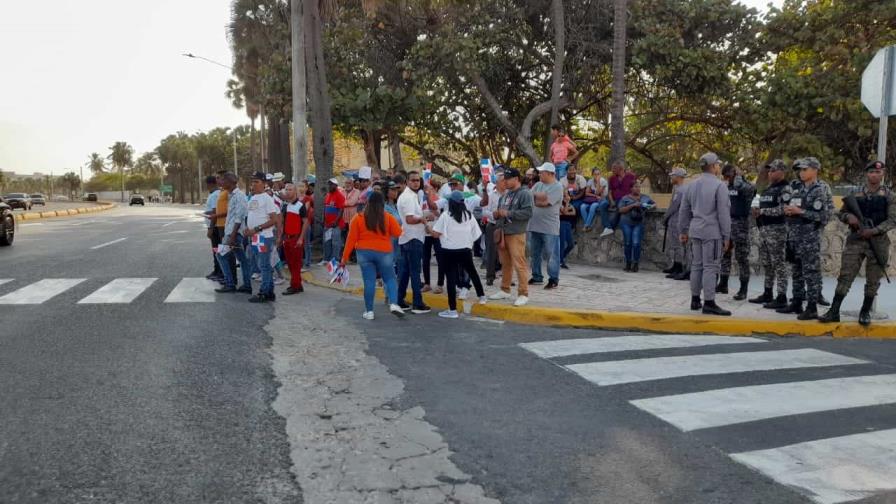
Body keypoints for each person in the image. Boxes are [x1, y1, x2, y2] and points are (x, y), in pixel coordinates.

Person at [821, 160, 895, 325]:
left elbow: (893, 220)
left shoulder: (889, 195)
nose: (874, 175)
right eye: (871, 172)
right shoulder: (855, 193)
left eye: (878, 172)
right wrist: (849, 217)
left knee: (873, 280)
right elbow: (841, 213)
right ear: (866, 174)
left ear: (882, 174)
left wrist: (874, 231)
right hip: (856, 240)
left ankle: (865, 311)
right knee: (845, 276)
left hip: (878, 242)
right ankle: (834, 310)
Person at [779, 157, 834, 320]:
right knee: (796, 270)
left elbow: (824, 215)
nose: (801, 172)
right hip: (795, 236)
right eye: (800, 170)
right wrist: (788, 211)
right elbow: (791, 206)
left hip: (809, 237)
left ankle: (811, 307)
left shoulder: (820, 190)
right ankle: (797, 302)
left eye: (805, 169)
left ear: (814, 170)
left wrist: (800, 212)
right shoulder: (797, 188)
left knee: (810, 272)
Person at [678, 152, 732, 316]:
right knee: (711, 267)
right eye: (718, 165)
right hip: (712, 231)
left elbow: (684, 210)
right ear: (714, 166)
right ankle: (709, 302)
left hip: (695, 229)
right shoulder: (719, 185)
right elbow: (723, 213)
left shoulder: (692, 185)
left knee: (697, 265)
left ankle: (695, 300)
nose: (719, 167)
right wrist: (726, 235)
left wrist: (682, 230)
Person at [340, 191, 405, 320]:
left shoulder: (358, 218)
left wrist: (344, 258)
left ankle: (369, 311)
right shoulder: (387, 217)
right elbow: (398, 233)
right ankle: (393, 303)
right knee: (390, 279)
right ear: (382, 204)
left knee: (369, 282)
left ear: (367, 203)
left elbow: (350, 240)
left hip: (364, 253)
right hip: (384, 252)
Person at [429, 190, 487, 318]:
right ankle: (482, 296)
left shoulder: (445, 215)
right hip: (465, 250)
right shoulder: (469, 215)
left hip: (448, 251)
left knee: (450, 279)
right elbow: (476, 234)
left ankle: (452, 310)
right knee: (472, 272)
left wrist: (426, 226)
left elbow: (436, 234)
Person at [488, 168, 534, 306]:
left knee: (519, 263)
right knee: (505, 263)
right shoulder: (506, 195)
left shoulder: (525, 194)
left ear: (516, 179)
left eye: (507, 179)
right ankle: (505, 289)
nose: (505, 182)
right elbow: (502, 212)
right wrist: (497, 214)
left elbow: (528, 213)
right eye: (504, 179)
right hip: (504, 233)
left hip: (516, 233)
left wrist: (508, 213)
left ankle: (523, 293)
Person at [750, 160, 791, 309]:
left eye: (773, 170)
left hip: (778, 230)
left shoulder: (785, 189)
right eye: (769, 170)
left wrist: (763, 211)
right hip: (765, 230)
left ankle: (781, 296)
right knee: (767, 264)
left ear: (781, 171)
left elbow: (784, 209)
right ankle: (768, 293)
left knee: (779, 265)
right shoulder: (768, 189)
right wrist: (757, 212)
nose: (770, 173)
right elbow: (761, 205)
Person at [396, 170, 432, 314]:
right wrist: (423, 219)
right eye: (413, 180)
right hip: (413, 238)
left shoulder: (410, 196)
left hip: (407, 238)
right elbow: (410, 219)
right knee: (415, 272)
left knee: (405, 272)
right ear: (406, 182)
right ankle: (417, 303)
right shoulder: (409, 197)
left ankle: (400, 300)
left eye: (418, 180)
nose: (416, 182)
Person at [719, 163, 756, 299]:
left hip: (740, 225)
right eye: (724, 177)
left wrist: (740, 182)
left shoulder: (746, 186)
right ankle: (723, 284)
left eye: (728, 176)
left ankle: (743, 289)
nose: (726, 179)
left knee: (741, 258)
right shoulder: (726, 186)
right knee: (725, 254)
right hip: (727, 224)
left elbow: (751, 191)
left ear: (734, 174)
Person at [244, 172, 282, 303]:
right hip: (255, 237)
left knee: (264, 265)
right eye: (252, 181)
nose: (253, 184)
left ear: (264, 183)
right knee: (262, 265)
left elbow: (274, 219)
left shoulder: (267, 198)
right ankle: (269, 291)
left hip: (264, 236)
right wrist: (248, 229)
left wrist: (256, 229)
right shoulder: (253, 197)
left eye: (257, 182)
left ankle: (264, 292)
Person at [214, 173, 252, 294]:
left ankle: (230, 284)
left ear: (230, 182)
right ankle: (247, 285)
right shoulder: (232, 195)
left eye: (224, 180)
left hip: (233, 233)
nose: (221, 182)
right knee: (243, 260)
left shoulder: (239, 196)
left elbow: (239, 217)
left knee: (221, 255)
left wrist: (233, 235)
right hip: (231, 232)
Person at [528, 162, 564, 289]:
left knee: (551, 254)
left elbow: (545, 203)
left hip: (550, 227)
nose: (539, 174)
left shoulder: (557, 187)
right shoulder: (538, 185)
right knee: (534, 252)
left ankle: (553, 278)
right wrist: (538, 197)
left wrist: (536, 198)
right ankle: (537, 276)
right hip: (534, 225)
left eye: (542, 172)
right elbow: (529, 198)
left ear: (550, 174)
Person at [277, 183, 310, 295]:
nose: (288, 191)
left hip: (296, 238)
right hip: (287, 238)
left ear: (295, 191)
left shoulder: (300, 206)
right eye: (286, 189)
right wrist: (281, 237)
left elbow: (306, 222)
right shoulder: (285, 206)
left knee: (296, 264)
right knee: (290, 263)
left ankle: (294, 286)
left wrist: (301, 238)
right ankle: (297, 284)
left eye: (290, 189)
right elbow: (282, 222)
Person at [618, 182, 656, 272]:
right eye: (636, 187)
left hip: (638, 223)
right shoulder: (625, 198)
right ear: (631, 188)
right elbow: (620, 210)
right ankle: (628, 263)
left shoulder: (645, 197)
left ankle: (635, 264)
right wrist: (633, 205)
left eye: (639, 187)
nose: (638, 188)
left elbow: (654, 204)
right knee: (628, 243)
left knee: (636, 244)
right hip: (626, 222)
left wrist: (650, 206)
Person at [480, 169, 506, 285]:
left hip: (506, 226)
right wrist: (494, 214)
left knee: (507, 252)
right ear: (497, 182)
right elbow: (484, 212)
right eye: (503, 180)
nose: (505, 182)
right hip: (493, 225)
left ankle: (507, 276)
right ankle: (490, 276)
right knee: (491, 252)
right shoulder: (491, 196)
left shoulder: (509, 195)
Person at [663, 167, 688, 278]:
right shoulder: (679, 189)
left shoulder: (680, 190)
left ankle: (678, 267)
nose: (671, 177)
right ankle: (676, 265)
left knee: (677, 246)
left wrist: (665, 217)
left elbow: (674, 206)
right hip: (677, 220)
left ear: (678, 177)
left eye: (673, 176)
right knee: (676, 245)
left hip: (676, 220)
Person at [602, 160, 637, 237]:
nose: (612, 170)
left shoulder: (631, 176)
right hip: (616, 200)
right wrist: (611, 201)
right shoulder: (611, 178)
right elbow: (610, 192)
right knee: (603, 205)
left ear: (620, 168)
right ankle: (607, 226)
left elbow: (635, 189)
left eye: (614, 168)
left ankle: (610, 227)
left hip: (627, 200)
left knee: (621, 204)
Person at [202, 175, 223, 281]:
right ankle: (217, 271)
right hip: (214, 226)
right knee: (216, 250)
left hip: (214, 227)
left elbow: (215, 212)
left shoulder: (215, 195)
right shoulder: (214, 194)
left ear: (210, 184)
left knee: (217, 250)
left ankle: (219, 272)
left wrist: (210, 228)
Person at [322, 178, 346, 264]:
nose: (329, 186)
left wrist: (336, 221)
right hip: (327, 224)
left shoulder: (340, 196)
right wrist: (323, 219)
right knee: (327, 241)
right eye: (329, 184)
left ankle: (335, 259)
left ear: (336, 186)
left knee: (336, 242)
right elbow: (325, 208)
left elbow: (341, 210)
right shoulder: (328, 195)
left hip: (336, 224)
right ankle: (326, 259)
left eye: (331, 184)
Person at [581, 167, 610, 232]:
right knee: (582, 207)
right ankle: (589, 225)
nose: (597, 175)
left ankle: (586, 225)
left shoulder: (603, 181)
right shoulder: (590, 181)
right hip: (592, 199)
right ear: (592, 174)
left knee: (593, 206)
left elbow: (598, 192)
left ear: (600, 174)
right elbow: (586, 193)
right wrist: (594, 195)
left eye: (598, 174)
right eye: (595, 174)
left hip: (601, 199)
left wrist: (598, 182)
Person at [559, 190, 577, 269]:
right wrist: (566, 205)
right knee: (562, 244)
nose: (566, 197)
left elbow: (574, 212)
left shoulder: (570, 204)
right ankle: (561, 261)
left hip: (568, 225)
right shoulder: (560, 204)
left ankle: (561, 257)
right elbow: (565, 212)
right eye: (564, 195)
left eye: (567, 195)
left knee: (571, 244)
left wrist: (566, 211)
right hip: (561, 224)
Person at [301, 176, 316, 268]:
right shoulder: (297, 198)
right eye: (299, 186)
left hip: (306, 223)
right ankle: (302, 261)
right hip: (298, 224)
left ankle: (308, 262)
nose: (300, 188)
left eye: (303, 186)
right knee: (301, 244)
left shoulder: (307, 198)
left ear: (306, 188)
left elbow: (304, 210)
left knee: (306, 243)